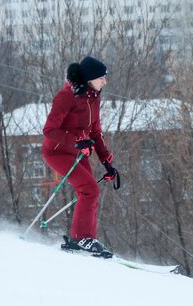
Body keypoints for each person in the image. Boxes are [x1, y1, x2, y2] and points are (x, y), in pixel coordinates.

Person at [42, 56, 118, 258]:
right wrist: (76, 141)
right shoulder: (66, 97)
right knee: (89, 189)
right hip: (57, 152)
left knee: (90, 191)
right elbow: (49, 130)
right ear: (90, 78)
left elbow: (95, 132)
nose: (105, 82)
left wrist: (107, 162)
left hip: (79, 151)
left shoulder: (94, 97)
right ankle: (81, 238)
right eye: (102, 77)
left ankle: (86, 238)